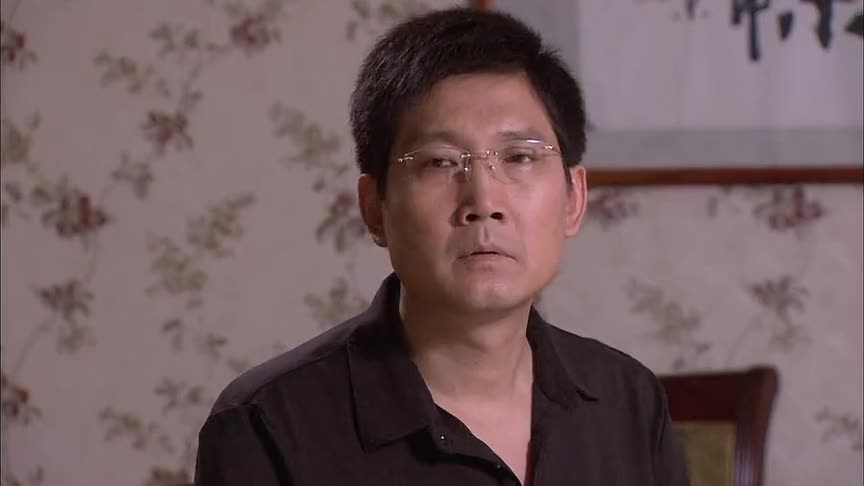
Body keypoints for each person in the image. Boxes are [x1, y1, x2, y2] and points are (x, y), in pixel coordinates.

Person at [194, 7, 690, 486]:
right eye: (439, 162)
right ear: (375, 208)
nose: (484, 202)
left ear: (574, 199)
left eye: (520, 157)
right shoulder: (268, 427)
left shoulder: (627, 401)